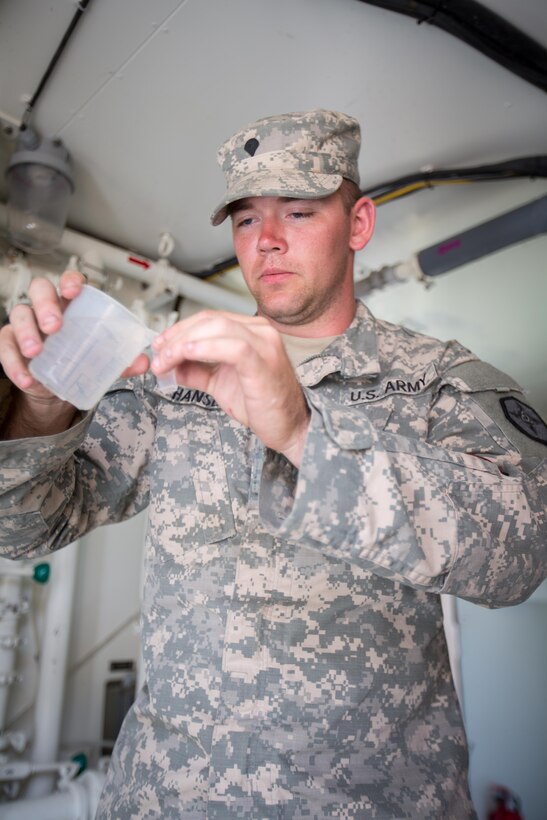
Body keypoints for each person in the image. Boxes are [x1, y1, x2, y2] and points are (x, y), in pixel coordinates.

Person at [0, 108, 545, 819]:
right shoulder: (175, 379)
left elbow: (523, 552)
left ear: (357, 224)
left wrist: (299, 431)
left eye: (298, 211)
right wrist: (39, 407)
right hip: (166, 800)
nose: (268, 242)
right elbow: (24, 530)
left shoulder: (435, 380)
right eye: (247, 219)